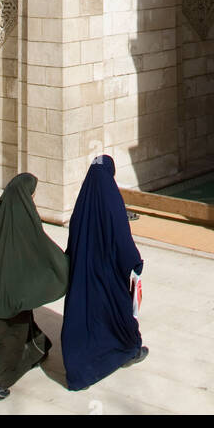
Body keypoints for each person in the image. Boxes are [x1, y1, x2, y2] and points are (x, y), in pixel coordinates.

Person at [0, 172, 70, 401]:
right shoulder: (25, 215)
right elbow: (40, 246)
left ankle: (38, 348)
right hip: (15, 288)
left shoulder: (1, 209)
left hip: (0, 281)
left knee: (18, 324)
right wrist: (63, 264)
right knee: (10, 335)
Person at [61, 155, 149, 390]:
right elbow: (121, 238)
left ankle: (80, 372)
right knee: (117, 312)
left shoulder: (83, 203)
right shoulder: (112, 203)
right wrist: (134, 263)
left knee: (84, 317)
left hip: (84, 273)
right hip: (108, 275)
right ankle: (129, 350)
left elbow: (74, 239)